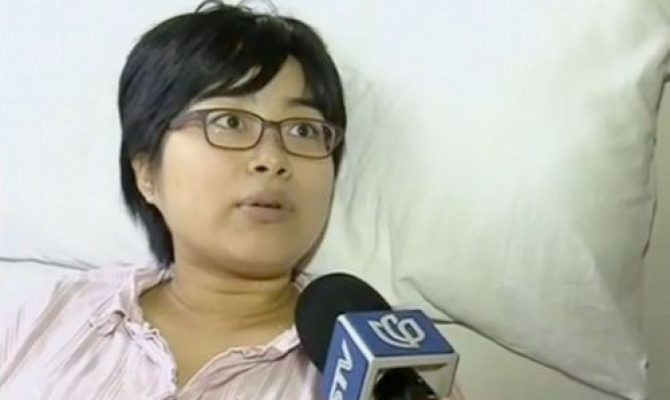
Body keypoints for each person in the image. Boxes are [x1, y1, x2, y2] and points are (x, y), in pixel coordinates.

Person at [0, 1, 465, 399]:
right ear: (146, 173)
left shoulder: (390, 369)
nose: (272, 159)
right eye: (229, 122)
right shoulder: (48, 317)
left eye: (303, 130)